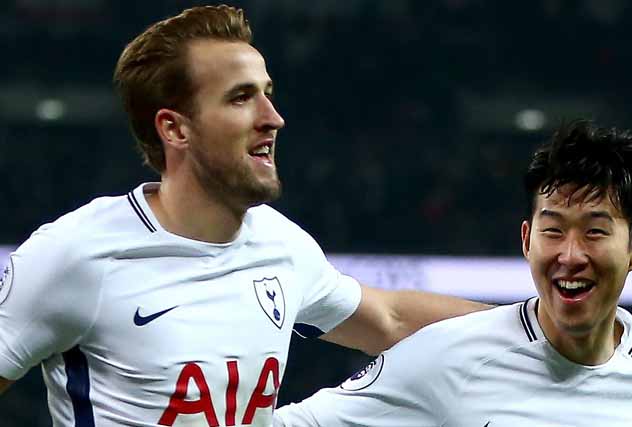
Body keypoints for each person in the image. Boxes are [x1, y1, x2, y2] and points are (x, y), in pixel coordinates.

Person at [0, 5, 490, 426]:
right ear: (175, 129)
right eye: (240, 97)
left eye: (266, 92)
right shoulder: (76, 253)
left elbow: (389, 319)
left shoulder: (283, 245)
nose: (272, 117)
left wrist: (532, 322)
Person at [274, 120, 632, 426]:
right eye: (552, 231)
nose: (570, 254)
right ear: (526, 240)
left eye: (594, 232)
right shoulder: (451, 358)